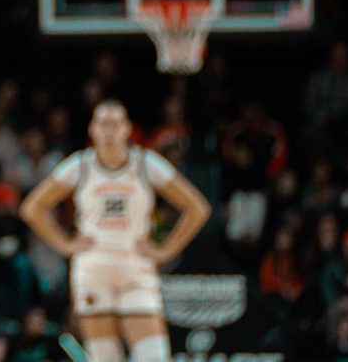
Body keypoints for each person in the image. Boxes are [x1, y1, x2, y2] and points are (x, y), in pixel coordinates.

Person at [18, 100, 211, 362]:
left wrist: (166, 249)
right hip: (93, 268)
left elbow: (198, 208)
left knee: (155, 356)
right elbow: (32, 208)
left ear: (127, 129)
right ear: (92, 129)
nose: (108, 130)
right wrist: (64, 244)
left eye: (114, 123)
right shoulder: (80, 164)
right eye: (102, 123)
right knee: (105, 358)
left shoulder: (145, 162)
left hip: (136, 266)